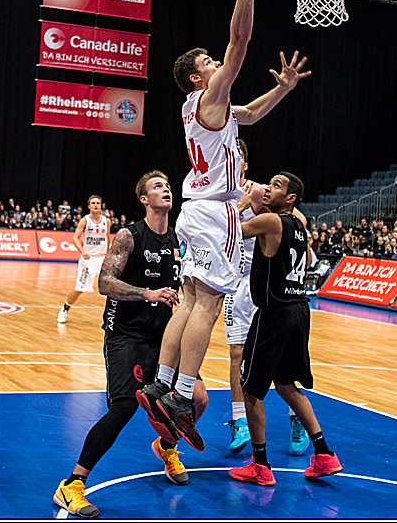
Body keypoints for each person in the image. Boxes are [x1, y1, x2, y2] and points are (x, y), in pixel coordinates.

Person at [137, 0, 310, 451]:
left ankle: (162, 382)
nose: (218, 64)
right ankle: (179, 395)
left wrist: (282, 89)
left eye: (214, 62)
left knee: (190, 299)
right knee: (209, 305)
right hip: (216, 211)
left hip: (197, 208)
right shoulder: (208, 99)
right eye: (208, 64)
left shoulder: (205, 110)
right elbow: (240, 42)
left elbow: (252, 113)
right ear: (196, 79)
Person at [52, 172, 207, 518]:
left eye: (168, 186)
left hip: (163, 336)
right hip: (126, 334)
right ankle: (72, 484)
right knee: (124, 407)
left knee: (197, 397)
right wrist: (147, 294)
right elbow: (104, 282)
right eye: (157, 187)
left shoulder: (180, 237)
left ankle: (167, 447)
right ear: (143, 199)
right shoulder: (129, 236)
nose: (165, 190)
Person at [229, 171, 342, 487]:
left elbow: (229, 233)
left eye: (276, 186)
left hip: (274, 312)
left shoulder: (271, 223)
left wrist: (239, 205)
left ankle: (260, 464)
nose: (267, 188)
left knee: (251, 390)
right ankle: (324, 454)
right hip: (299, 309)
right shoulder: (300, 227)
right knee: (286, 384)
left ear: (291, 198)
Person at [224, 140, 312, 457]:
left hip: (268, 282)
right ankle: (239, 422)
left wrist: (253, 205)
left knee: (281, 366)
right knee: (237, 355)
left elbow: (298, 221)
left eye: (235, 156)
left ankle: (296, 420)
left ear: (244, 163)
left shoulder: (260, 191)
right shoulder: (212, 192)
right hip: (237, 285)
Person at [57, 195, 110, 324]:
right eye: (93, 203)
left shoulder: (106, 221)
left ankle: (112, 317)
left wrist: (109, 254)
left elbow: (107, 237)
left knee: (111, 287)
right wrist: (83, 251)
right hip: (88, 259)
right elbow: (75, 238)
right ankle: (65, 307)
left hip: (102, 258)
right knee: (80, 289)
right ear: (89, 206)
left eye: (98, 203)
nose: (96, 205)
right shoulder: (84, 221)